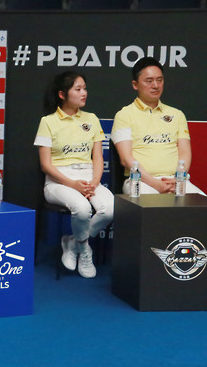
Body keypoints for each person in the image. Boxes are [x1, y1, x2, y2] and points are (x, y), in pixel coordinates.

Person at [34, 71, 114, 279]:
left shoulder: (91, 119)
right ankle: (85, 250)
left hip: (88, 178)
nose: (83, 93)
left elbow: (98, 157)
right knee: (82, 208)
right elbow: (45, 165)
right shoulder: (48, 122)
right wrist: (72, 184)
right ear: (62, 94)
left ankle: (75, 242)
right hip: (58, 181)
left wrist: (94, 182)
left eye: (84, 88)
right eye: (77, 89)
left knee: (110, 209)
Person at [111, 57, 204, 195]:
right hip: (140, 182)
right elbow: (126, 159)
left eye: (159, 80)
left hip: (176, 181)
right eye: (149, 81)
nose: (155, 85)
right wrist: (156, 184)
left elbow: (185, 152)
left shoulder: (177, 115)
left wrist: (178, 179)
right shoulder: (124, 115)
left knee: (201, 203)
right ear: (135, 85)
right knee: (153, 205)